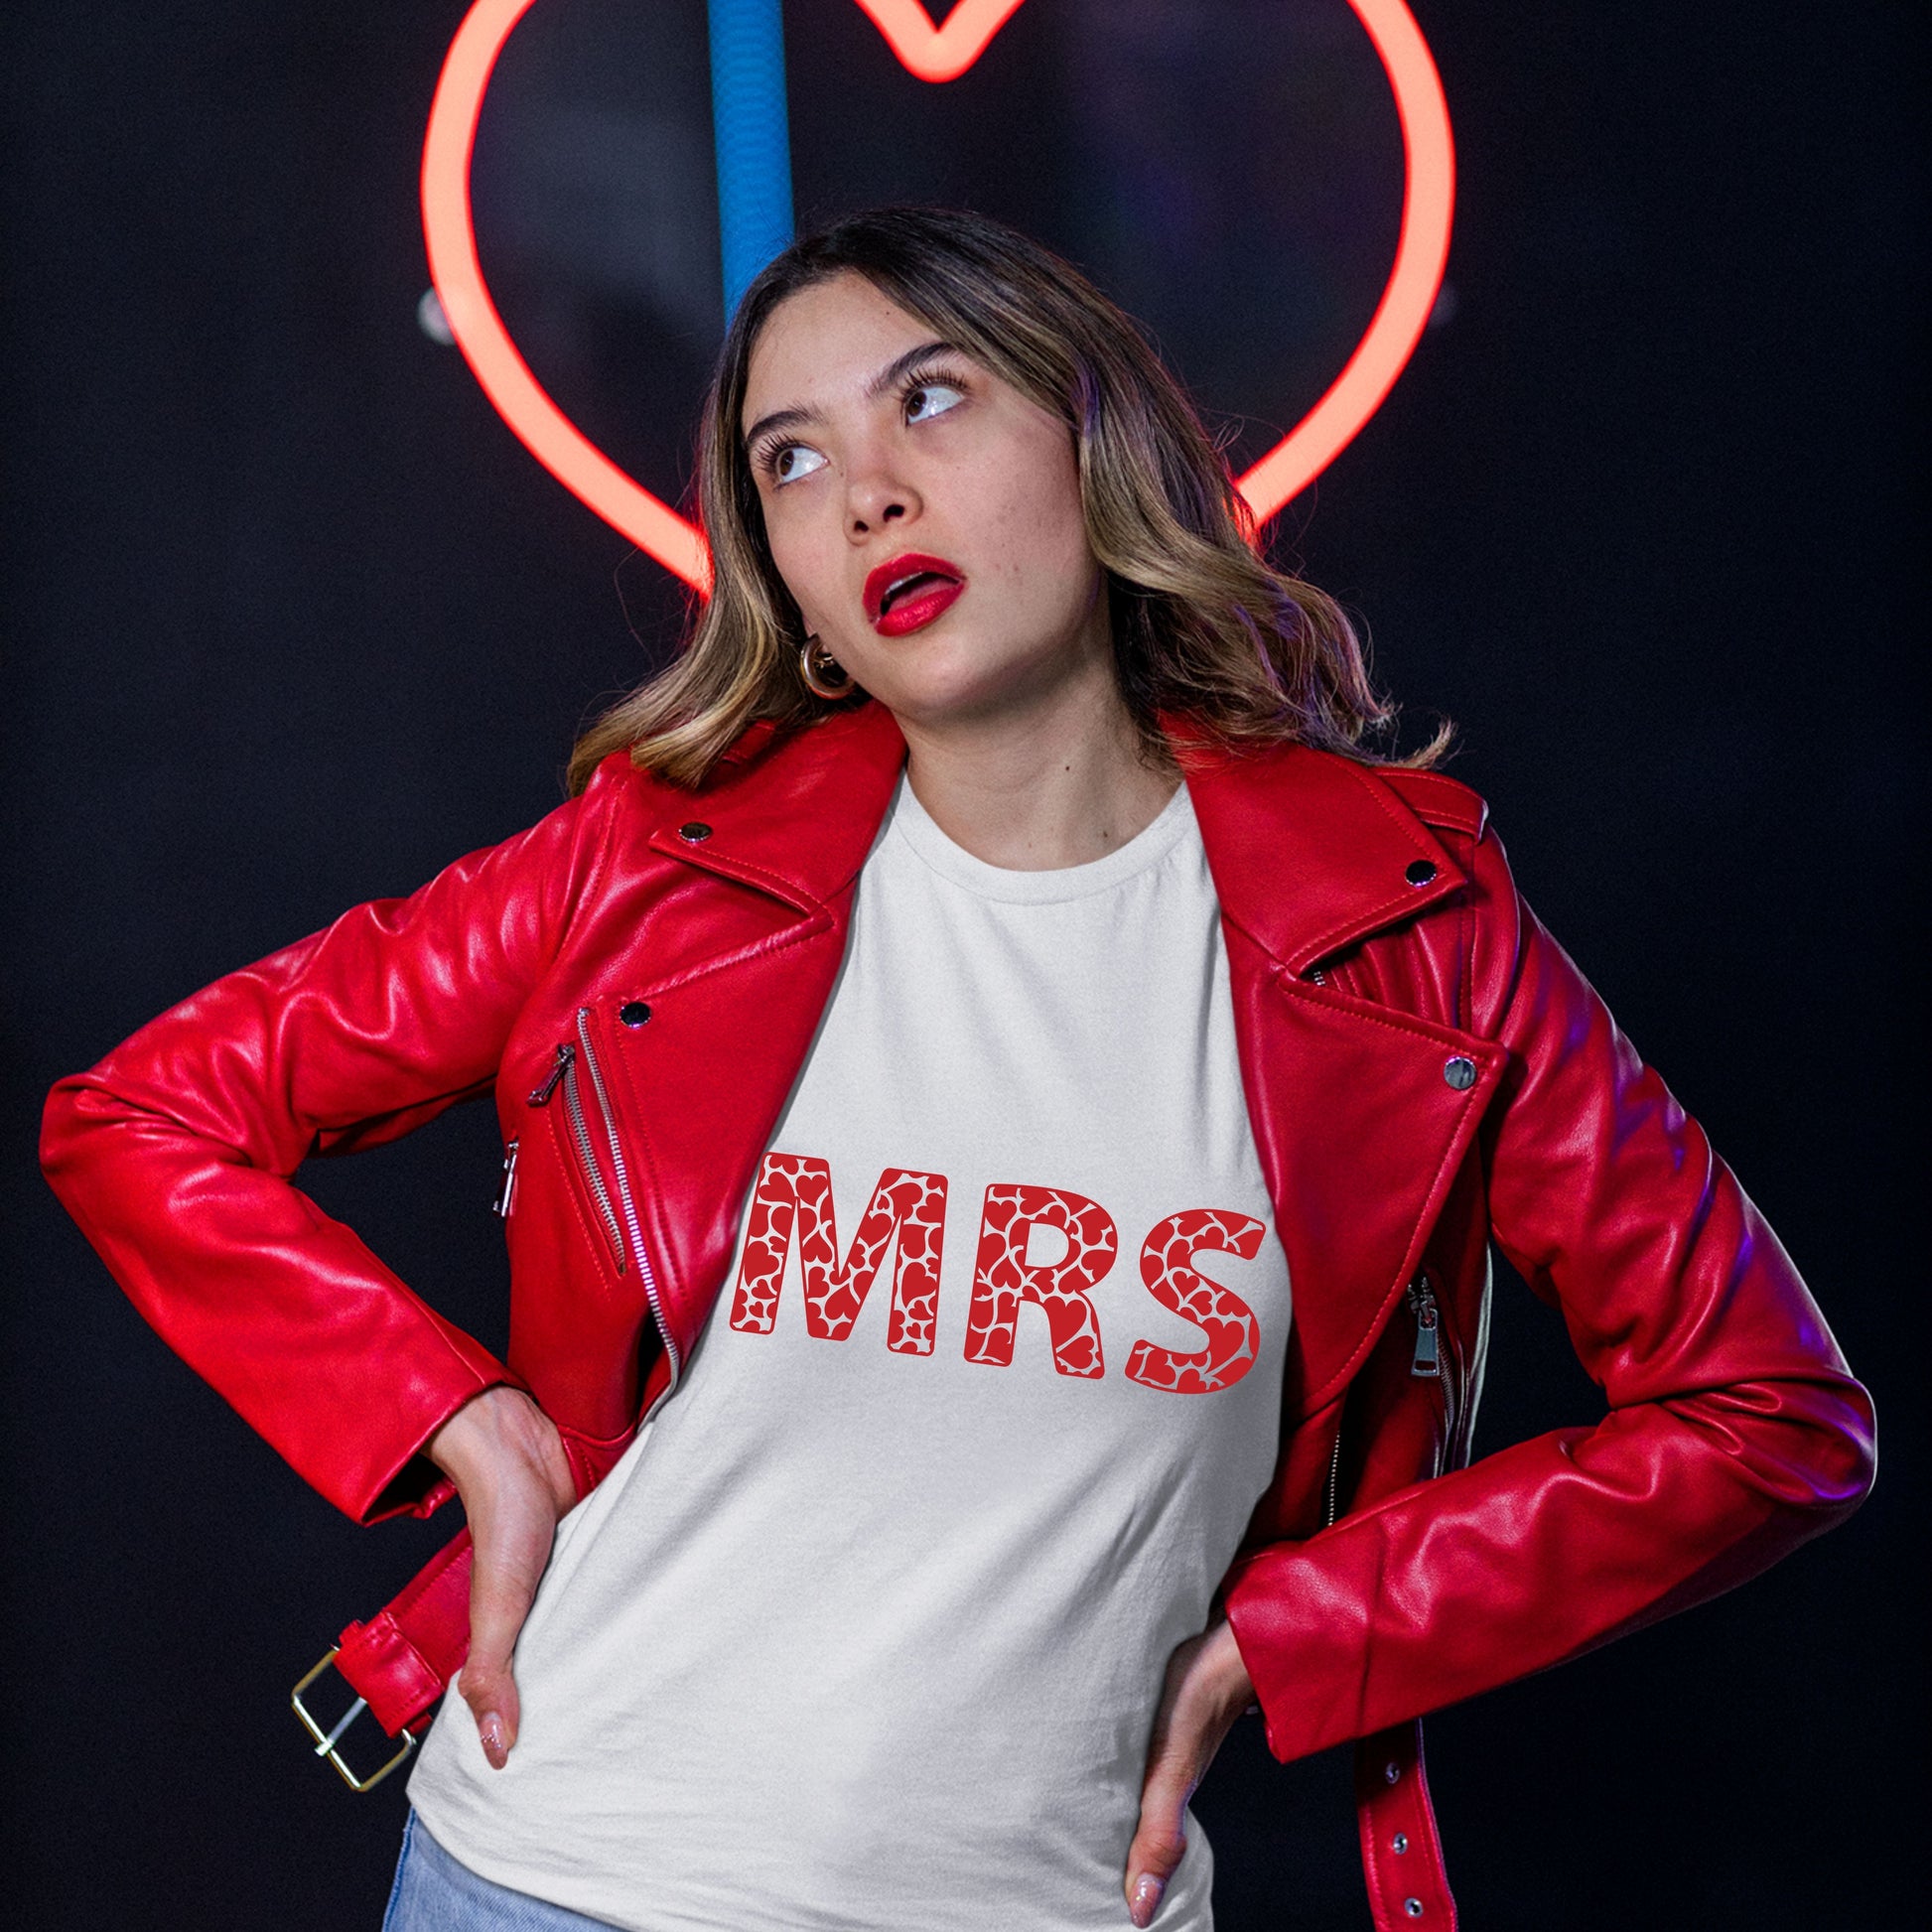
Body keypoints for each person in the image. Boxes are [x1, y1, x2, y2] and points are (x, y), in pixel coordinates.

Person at [40, 206, 1874, 1932]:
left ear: (1095, 441)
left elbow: (1767, 1413)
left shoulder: (1403, 935)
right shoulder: (645, 872)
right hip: (555, 1875)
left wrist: (1303, 1627)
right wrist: (462, 1420)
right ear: (784, 577)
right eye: (791, 460)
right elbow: (140, 1114)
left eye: (929, 399)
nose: (867, 493)